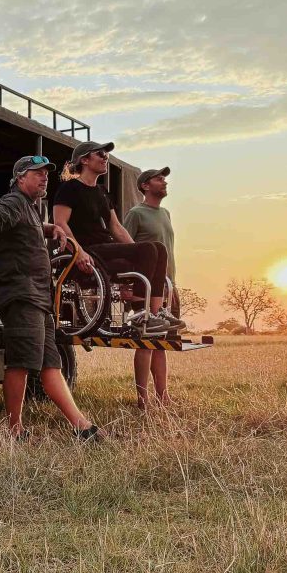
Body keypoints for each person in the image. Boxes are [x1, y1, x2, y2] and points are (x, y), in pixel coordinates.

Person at [0, 155, 101, 441]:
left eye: (45, 173)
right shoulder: (15, 201)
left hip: (38, 296)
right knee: (20, 363)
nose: (44, 177)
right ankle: (15, 431)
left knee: (50, 364)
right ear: (20, 178)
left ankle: (81, 426)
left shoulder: (29, 208)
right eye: (37, 173)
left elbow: (26, 225)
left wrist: (51, 228)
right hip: (20, 296)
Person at [51, 141, 183, 337]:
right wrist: (79, 252)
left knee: (158, 249)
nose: (106, 157)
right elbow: (60, 223)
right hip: (88, 248)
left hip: (106, 247)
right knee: (148, 249)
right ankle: (139, 311)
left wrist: (143, 252)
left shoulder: (102, 192)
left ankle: (155, 312)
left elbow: (116, 228)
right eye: (100, 154)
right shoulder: (69, 189)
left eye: (106, 154)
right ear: (84, 160)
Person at [123, 167, 179, 408]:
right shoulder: (136, 213)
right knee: (146, 340)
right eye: (158, 178)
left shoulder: (165, 213)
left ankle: (163, 396)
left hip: (166, 286)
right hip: (142, 287)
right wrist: (125, 286)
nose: (164, 181)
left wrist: (173, 285)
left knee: (161, 341)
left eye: (164, 178)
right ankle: (142, 399)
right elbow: (125, 249)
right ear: (146, 186)